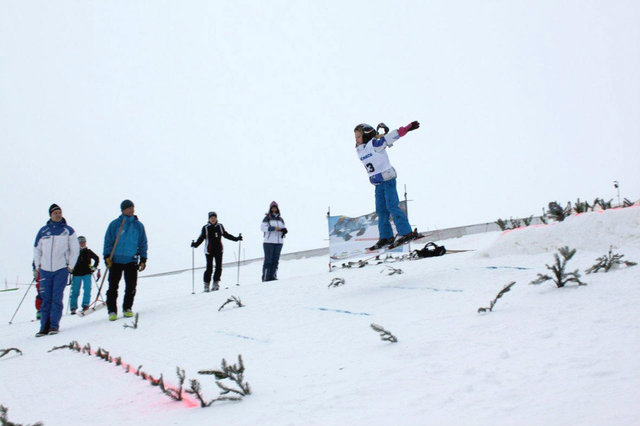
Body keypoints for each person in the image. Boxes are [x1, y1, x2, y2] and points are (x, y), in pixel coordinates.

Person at [354, 121, 420, 250]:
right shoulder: (360, 150)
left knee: (392, 206)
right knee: (381, 211)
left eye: (358, 136)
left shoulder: (374, 145)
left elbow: (389, 138)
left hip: (387, 179)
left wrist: (405, 129)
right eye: (355, 137)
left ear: (366, 135)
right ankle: (386, 236)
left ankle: (406, 232)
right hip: (378, 183)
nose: (356, 139)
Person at [33, 204, 80, 336]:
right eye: (55, 213)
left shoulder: (68, 231)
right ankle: (44, 327)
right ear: (50, 215)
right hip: (45, 270)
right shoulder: (43, 231)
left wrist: (70, 265)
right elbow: (37, 249)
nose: (58, 214)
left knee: (56, 297)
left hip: (61, 269)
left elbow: (75, 249)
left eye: (60, 212)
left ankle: (54, 325)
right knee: (45, 298)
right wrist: (37, 266)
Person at [104, 199, 148, 321]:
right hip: (116, 260)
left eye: (132, 207)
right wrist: (106, 256)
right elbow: (108, 241)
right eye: (129, 208)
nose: (131, 210)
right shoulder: (114, 224)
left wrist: (143, 258)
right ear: (123, 209)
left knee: (131, 286)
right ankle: (112, 310)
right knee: (113, 286)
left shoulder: (138, 225)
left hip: (131, 260)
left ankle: (127, 308)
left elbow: (143, 242)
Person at [191, 211, 242, 292]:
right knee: (209, 268)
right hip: (209, 251)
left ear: (216, 218)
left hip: (219, 250)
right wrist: (195, 244)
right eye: (211, 218)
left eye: (214, 217)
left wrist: (236, 239)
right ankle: (206, 285)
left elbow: (226, 235)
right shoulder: (206, 228)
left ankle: (216, 283)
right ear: (209, 219)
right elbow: (201, 238)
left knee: (218, 267)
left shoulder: (220, 226)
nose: (213, 219)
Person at [69, 236, 100, 314]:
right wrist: (70, 268)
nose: (82, 243)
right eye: (80, 242)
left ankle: (85, 305)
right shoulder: (74, 252)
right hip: (76, 274)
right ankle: (73, 307)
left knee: (87, 289)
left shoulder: (88, 251)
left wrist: (94, 267)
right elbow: (68, 260)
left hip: (87, 273)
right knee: (75, 291)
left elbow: (97, 258)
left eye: (83, 242)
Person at [261, 201, 287, 281]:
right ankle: (266, 277)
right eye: (272, 207)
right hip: (269, 242)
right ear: (270, 208)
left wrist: (284, 230)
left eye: (275, 207)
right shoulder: (267, 218)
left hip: (279, 243)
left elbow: (283, 227)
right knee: (268, 260)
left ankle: (273, 276)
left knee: (276, 260)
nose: (274, 209)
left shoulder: (281, 219)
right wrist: (273, 228)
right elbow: (262, 228)